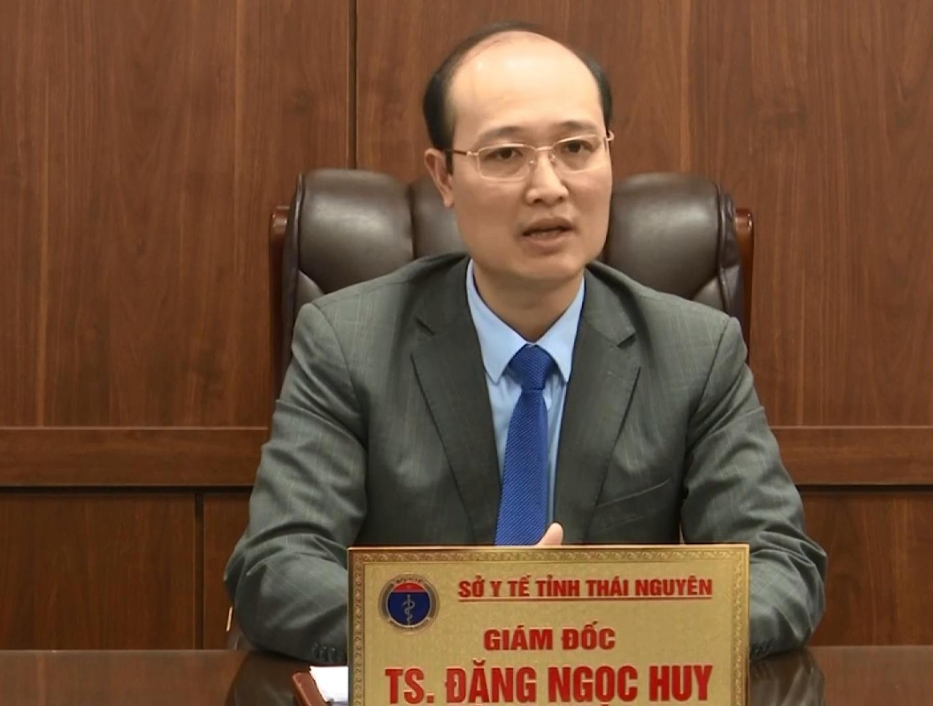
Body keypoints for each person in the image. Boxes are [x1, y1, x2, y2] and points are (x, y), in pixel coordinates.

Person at [225, 20, 826, 665]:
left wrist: (591, 636)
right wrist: (478, 626)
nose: (549, 187)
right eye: (506, 155)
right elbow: (277, 567)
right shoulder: (347, 343)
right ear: (444, 176)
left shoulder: (696, 351)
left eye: (576, 147)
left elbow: (781, 568)